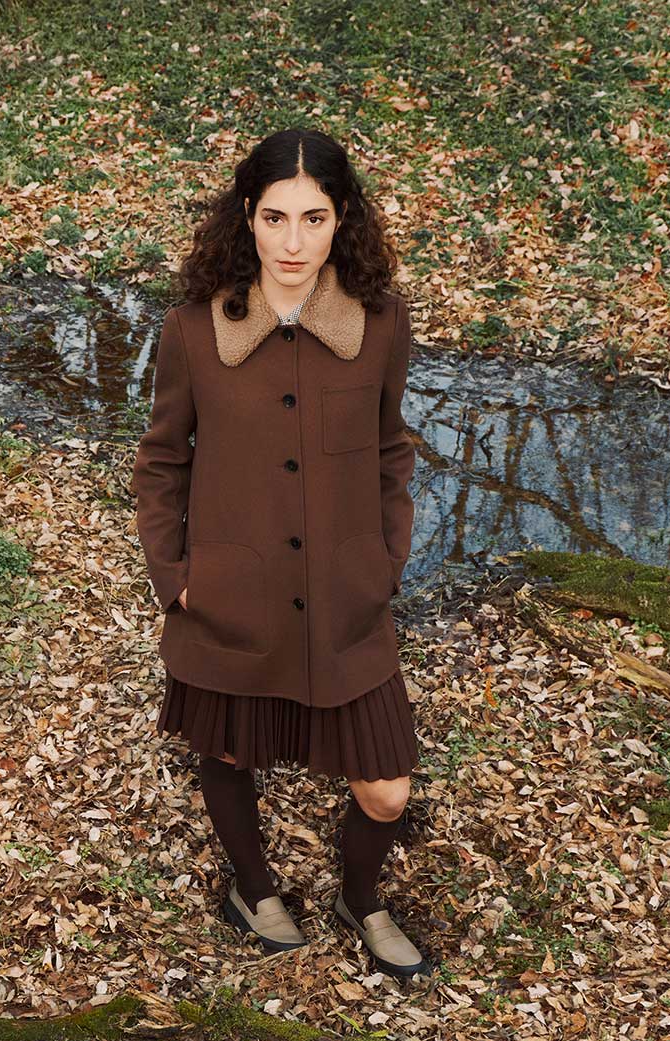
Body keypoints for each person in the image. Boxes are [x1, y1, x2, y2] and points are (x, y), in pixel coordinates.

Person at [131, 127, 431, 979]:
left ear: (344, 222)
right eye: (274, 218)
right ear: (246, 218)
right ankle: (253, 887)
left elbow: (390, 450)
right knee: (227, 752)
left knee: (387, 789)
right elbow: (161, 460)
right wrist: (177, 580)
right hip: (232, 593)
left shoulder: (380, 323)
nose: (292, 242)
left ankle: (360, 897)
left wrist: (387, 558)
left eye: (314, 217)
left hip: (347, 602)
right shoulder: (194, 329)